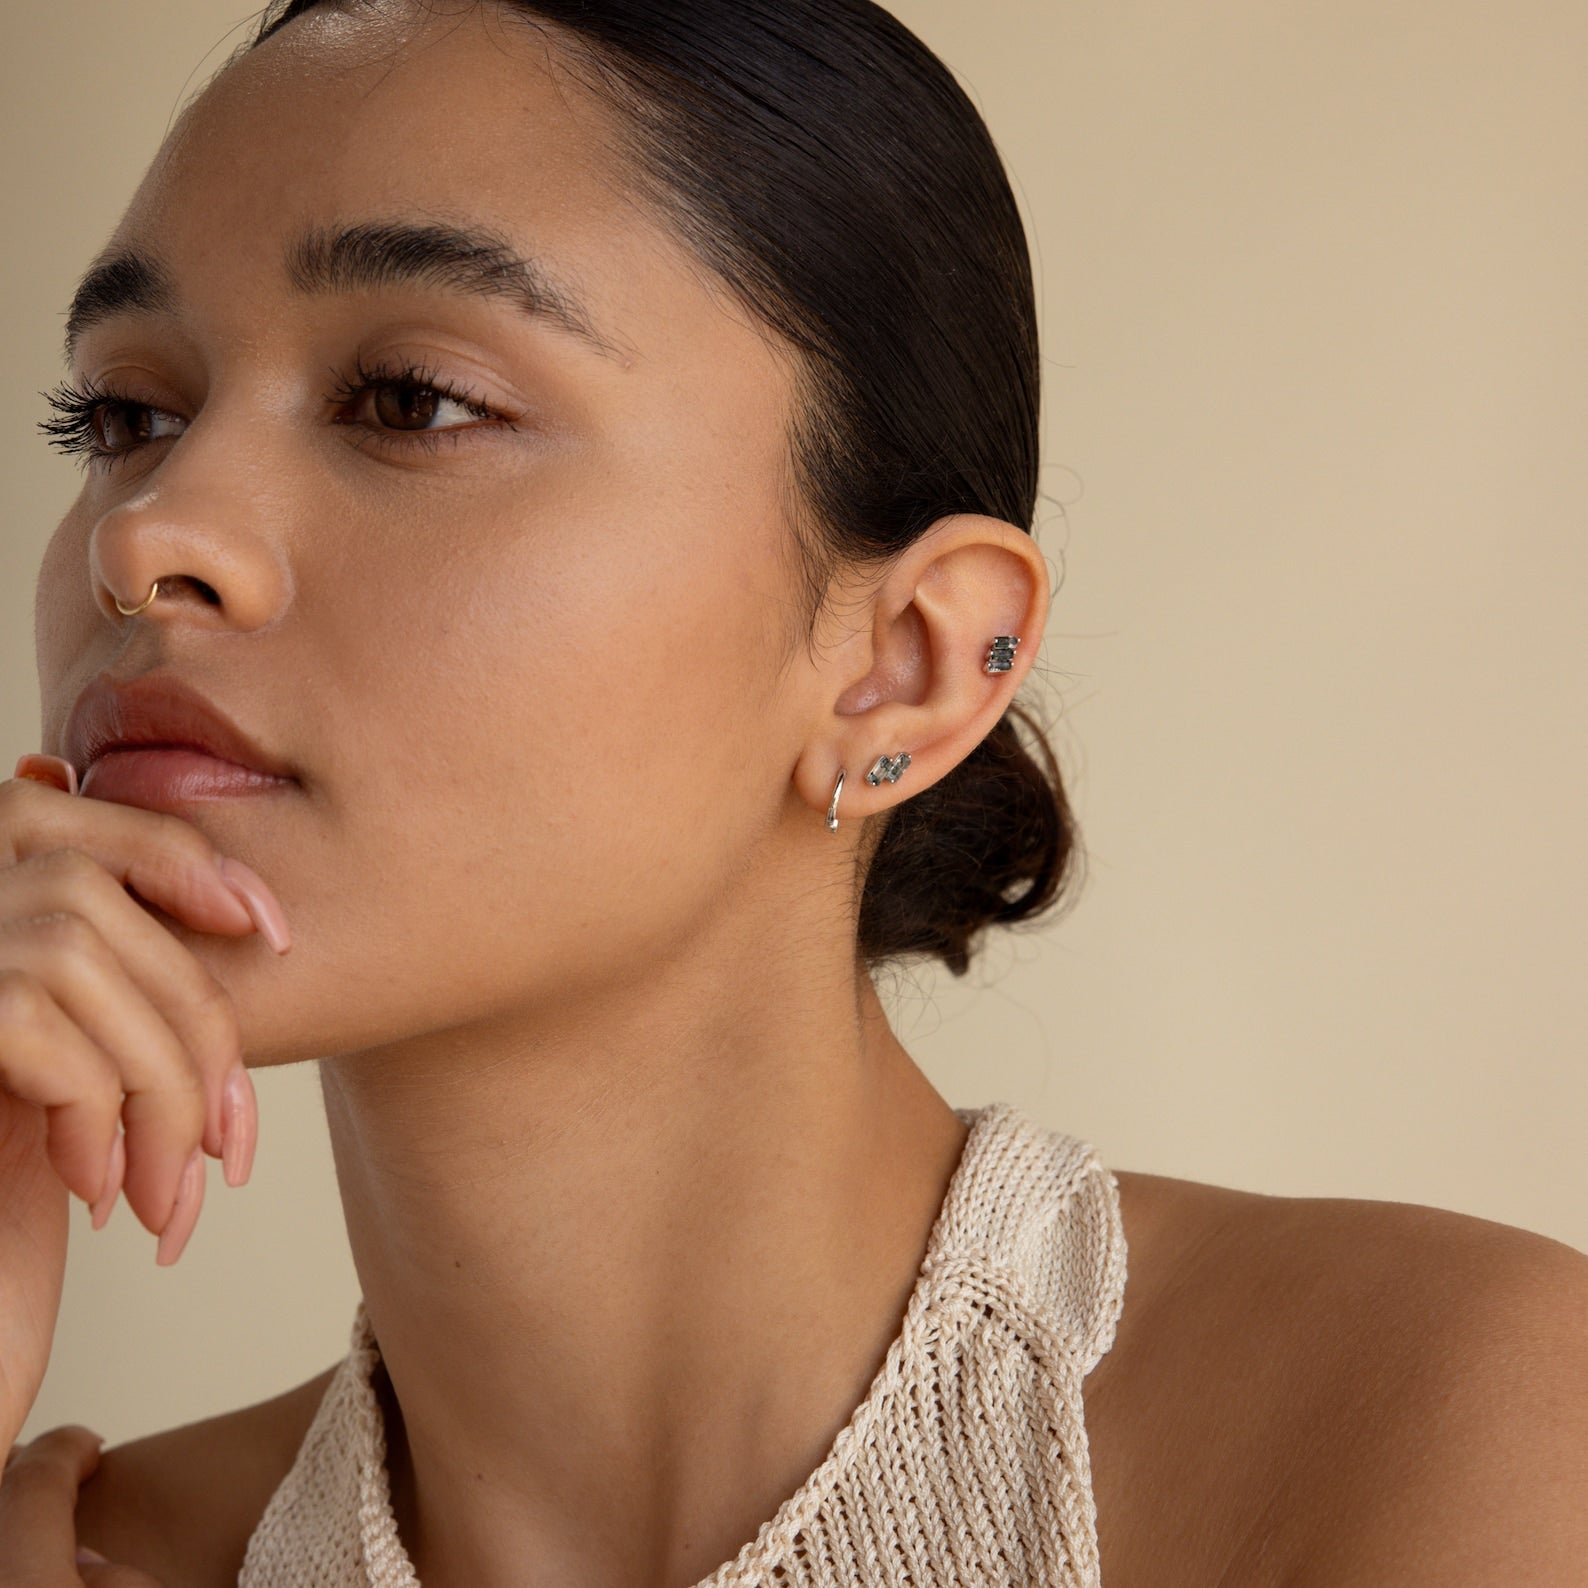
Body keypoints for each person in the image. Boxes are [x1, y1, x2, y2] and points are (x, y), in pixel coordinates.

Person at [1, 1, 1584, 1584]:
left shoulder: (1457, 1432)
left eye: (412, 398)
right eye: (127, 415)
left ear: (903, 662)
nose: (147, 535)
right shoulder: (74, 1552)